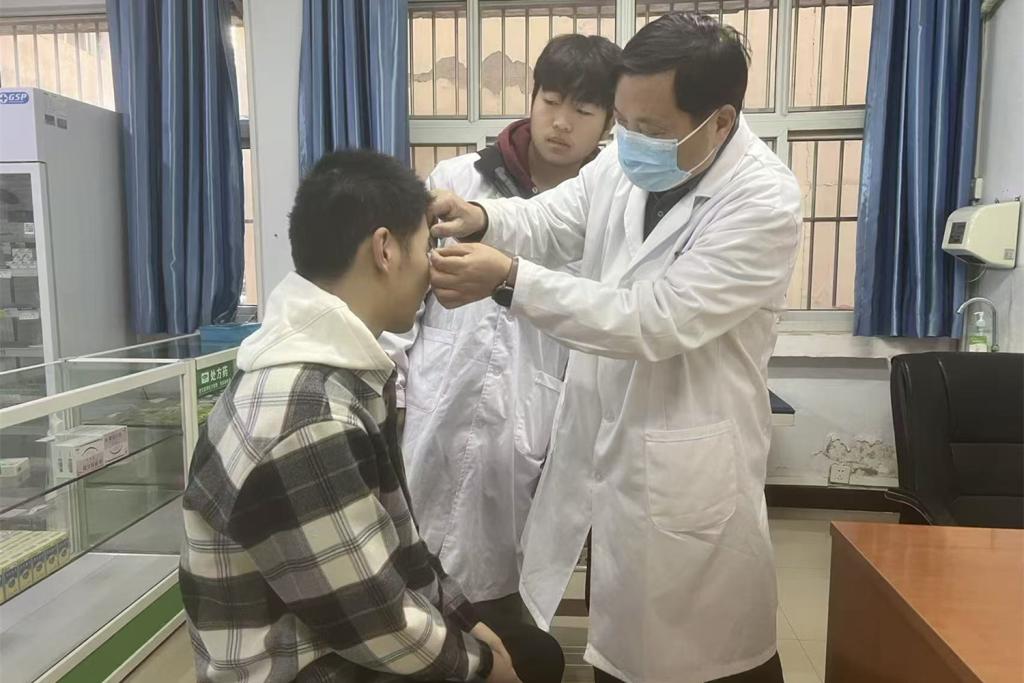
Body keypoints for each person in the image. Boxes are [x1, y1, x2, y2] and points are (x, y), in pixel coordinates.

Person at [425, 13, 801, 683]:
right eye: (622, 121)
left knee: (708, 656)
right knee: (621, 647)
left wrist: (508, 279)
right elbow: (554, 218)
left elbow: (652, 320)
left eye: (649, 128)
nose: (628, 140)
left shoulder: (762, 200)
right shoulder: (627, 165)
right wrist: (483, 217)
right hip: (609, 443)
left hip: (690, 465)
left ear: (719, 122)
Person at [178, 150, 563, 683]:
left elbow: (402, 545)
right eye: (427, 249)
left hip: (335, 632)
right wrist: (482, 666)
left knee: (532, 651)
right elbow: (379, 623)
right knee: (518, 664)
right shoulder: (307, 415)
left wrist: (468, 622)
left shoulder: (342, 371)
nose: (432, 269)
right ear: (385, 250)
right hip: (304, 665)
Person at [382, 34, 622, 626]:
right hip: (440, 391)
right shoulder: (458, 180)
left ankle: (492, 649)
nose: (561, 122)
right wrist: (394, 384)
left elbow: (600, 317)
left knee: (503, 574)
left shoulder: (606, 208)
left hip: (530, 408)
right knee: (411, 555)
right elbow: (404, 290)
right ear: (531, 97)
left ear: (608, 123)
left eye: (583, 110)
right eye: (551, 101)